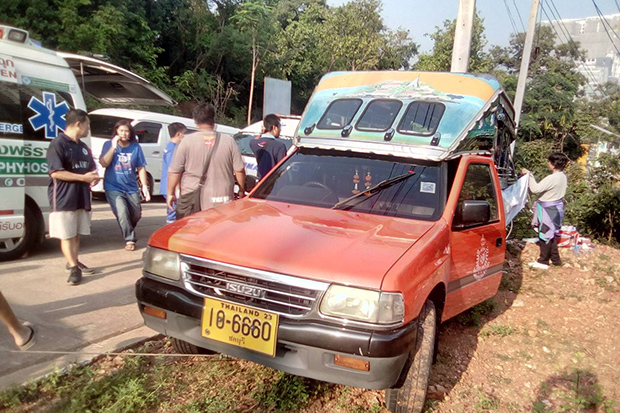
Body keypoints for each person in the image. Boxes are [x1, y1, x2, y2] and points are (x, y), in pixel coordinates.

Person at [46, 109, 100, 285]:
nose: (88, 129)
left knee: (76, 234)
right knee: (67, 235)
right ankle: (73, 268)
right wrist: (83, 178)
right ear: (79, 124)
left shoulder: (83, 147)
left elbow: (90, 168)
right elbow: (56, 173)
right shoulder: (58, 144)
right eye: (88, 125)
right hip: (63, 197)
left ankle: (74, 261)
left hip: (81, 196)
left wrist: (92, 176)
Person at [166, 103, 245, 216]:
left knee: (192, 232)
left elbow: (174, 172)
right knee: (220, 232)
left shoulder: (186, 141)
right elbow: (239, 170)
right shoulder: (229, 141)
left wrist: (170, 193)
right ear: (213, 119)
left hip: (192, 198)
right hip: (223, 199)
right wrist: (241, 190)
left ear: (195, 120)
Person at [99, 120, 150, 251]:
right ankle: (130, 239)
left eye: (126, 131)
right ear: (116, 132)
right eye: (121, 131)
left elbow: (141, 167)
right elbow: (103, 163)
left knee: (136, 214)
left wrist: (144, 186)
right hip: (113, 186)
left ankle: (126, 227)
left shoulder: (136, 147)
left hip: (131, 186)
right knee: (122, 212)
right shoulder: (108, 145)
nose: (124, 134)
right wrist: (113, 147)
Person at [521, 152, 569, 270]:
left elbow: (535, 189)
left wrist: (529, 175)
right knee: (550, 234)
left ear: (553, 164)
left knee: (545, 234)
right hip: (556, 207)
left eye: (549, 162)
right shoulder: (563, 176)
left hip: (548, 208)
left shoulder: (553, 178)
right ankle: (556, 260)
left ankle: (543, 261)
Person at [160, 122, 187, 224]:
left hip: (167, 186)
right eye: (184, 134)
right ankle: (168, 235)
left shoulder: (169, 146)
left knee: (173, 212)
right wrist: (177, 189)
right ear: (179, 134)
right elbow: (174, 170)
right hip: (172, 187)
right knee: (173, 214)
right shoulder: (173, 149)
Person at [250, 114, 287, 180]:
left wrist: (261, 133)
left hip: (260, 182)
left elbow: (254, 140)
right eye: (279, 127)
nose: (280, 130)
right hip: (273, 183)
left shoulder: (254, 143)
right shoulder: (280, 146)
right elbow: (282, 170)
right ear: (274, 128)